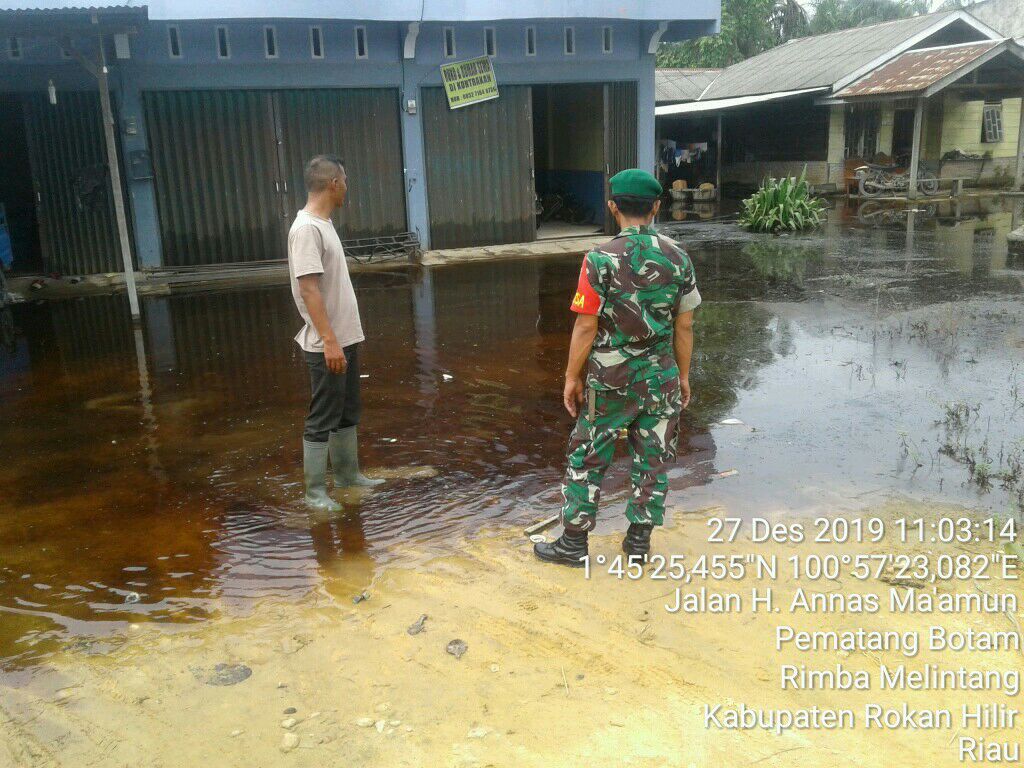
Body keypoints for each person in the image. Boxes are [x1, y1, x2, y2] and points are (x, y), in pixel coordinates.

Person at [534, 169, 700, 567]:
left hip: (610, 380)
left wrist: (572, 378)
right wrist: (682, 376)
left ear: (612, 207)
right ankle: (638, 543)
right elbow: (686, 324)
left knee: (588, 454)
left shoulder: (598, 259)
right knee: (653, 458)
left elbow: (586, 324)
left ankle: (573, 544)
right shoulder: (679, 258)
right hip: (660, 378)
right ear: (657, 207)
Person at [288, 155, 383, 511]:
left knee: (346, 410)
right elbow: (308, 289)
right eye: (345, 181)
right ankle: (314, 493)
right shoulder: (306, 229)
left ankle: (347, 477)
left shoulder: (323, 224)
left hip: (344, 339)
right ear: (333, 184)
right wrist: (329, 340)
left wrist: (342, 339)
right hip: (327, 343)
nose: (347, 188)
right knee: (322, 416)